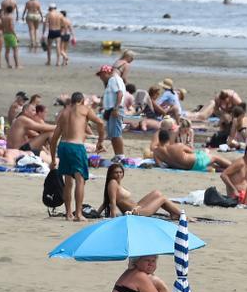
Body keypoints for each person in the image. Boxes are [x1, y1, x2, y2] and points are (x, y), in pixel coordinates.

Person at [50, 92, 105, 221]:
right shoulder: (84, 109)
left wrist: (53, 160)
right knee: (80, 180)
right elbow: (100, 123)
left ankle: (68, 213)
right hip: (76, 147)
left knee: (68, 181)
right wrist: (100, 141)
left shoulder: (63, 113)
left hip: (63, 146)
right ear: (82, 101)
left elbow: (53, 140)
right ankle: (78, 214)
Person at [101, 164, 182, 219]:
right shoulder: (113, 183)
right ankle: (181, 215)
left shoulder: (116, 184)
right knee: (163, 199)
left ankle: (174, 214)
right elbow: (112, 202)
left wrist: (97, 213)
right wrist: (113, 219)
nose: (119, 174)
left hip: (137, 207)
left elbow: (105, 202)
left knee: (157, 193)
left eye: (120, 172)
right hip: (136, 212)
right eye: (116, 172)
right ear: (111, 174)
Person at [151, 129, 230, 172]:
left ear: (159, 140)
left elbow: (161, 166)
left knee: (212, 165)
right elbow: (193, 152)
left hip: (188, 168)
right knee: (215, 158)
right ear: (168, 138)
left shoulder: (156, 152)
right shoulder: (178, 146)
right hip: (194, 162)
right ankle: (232, 167)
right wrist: (204, 152)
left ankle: (223, 169)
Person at [98, 64, 125, 162]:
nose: (100, 77)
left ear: (107, 73)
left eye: (101, 75)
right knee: (112, 134)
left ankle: (121, 155)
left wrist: (116, 108)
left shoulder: (114, 79)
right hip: (110, 109)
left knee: (116, 133)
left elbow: (120, 93)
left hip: (115, 109)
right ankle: (117, 154)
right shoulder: (110, 82)